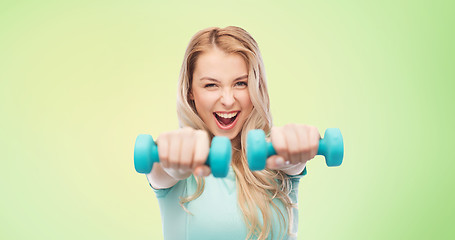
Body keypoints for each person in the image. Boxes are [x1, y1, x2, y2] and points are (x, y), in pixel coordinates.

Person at [146, 26, 321, 240]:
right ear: (190, 90)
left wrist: (297, 147)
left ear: (256, 86)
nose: (228, 100)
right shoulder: (175, 163)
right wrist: (171, 160)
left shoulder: (275, 158)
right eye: (211, 85)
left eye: (240, 83)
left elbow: (291, 163)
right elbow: (163, 170)